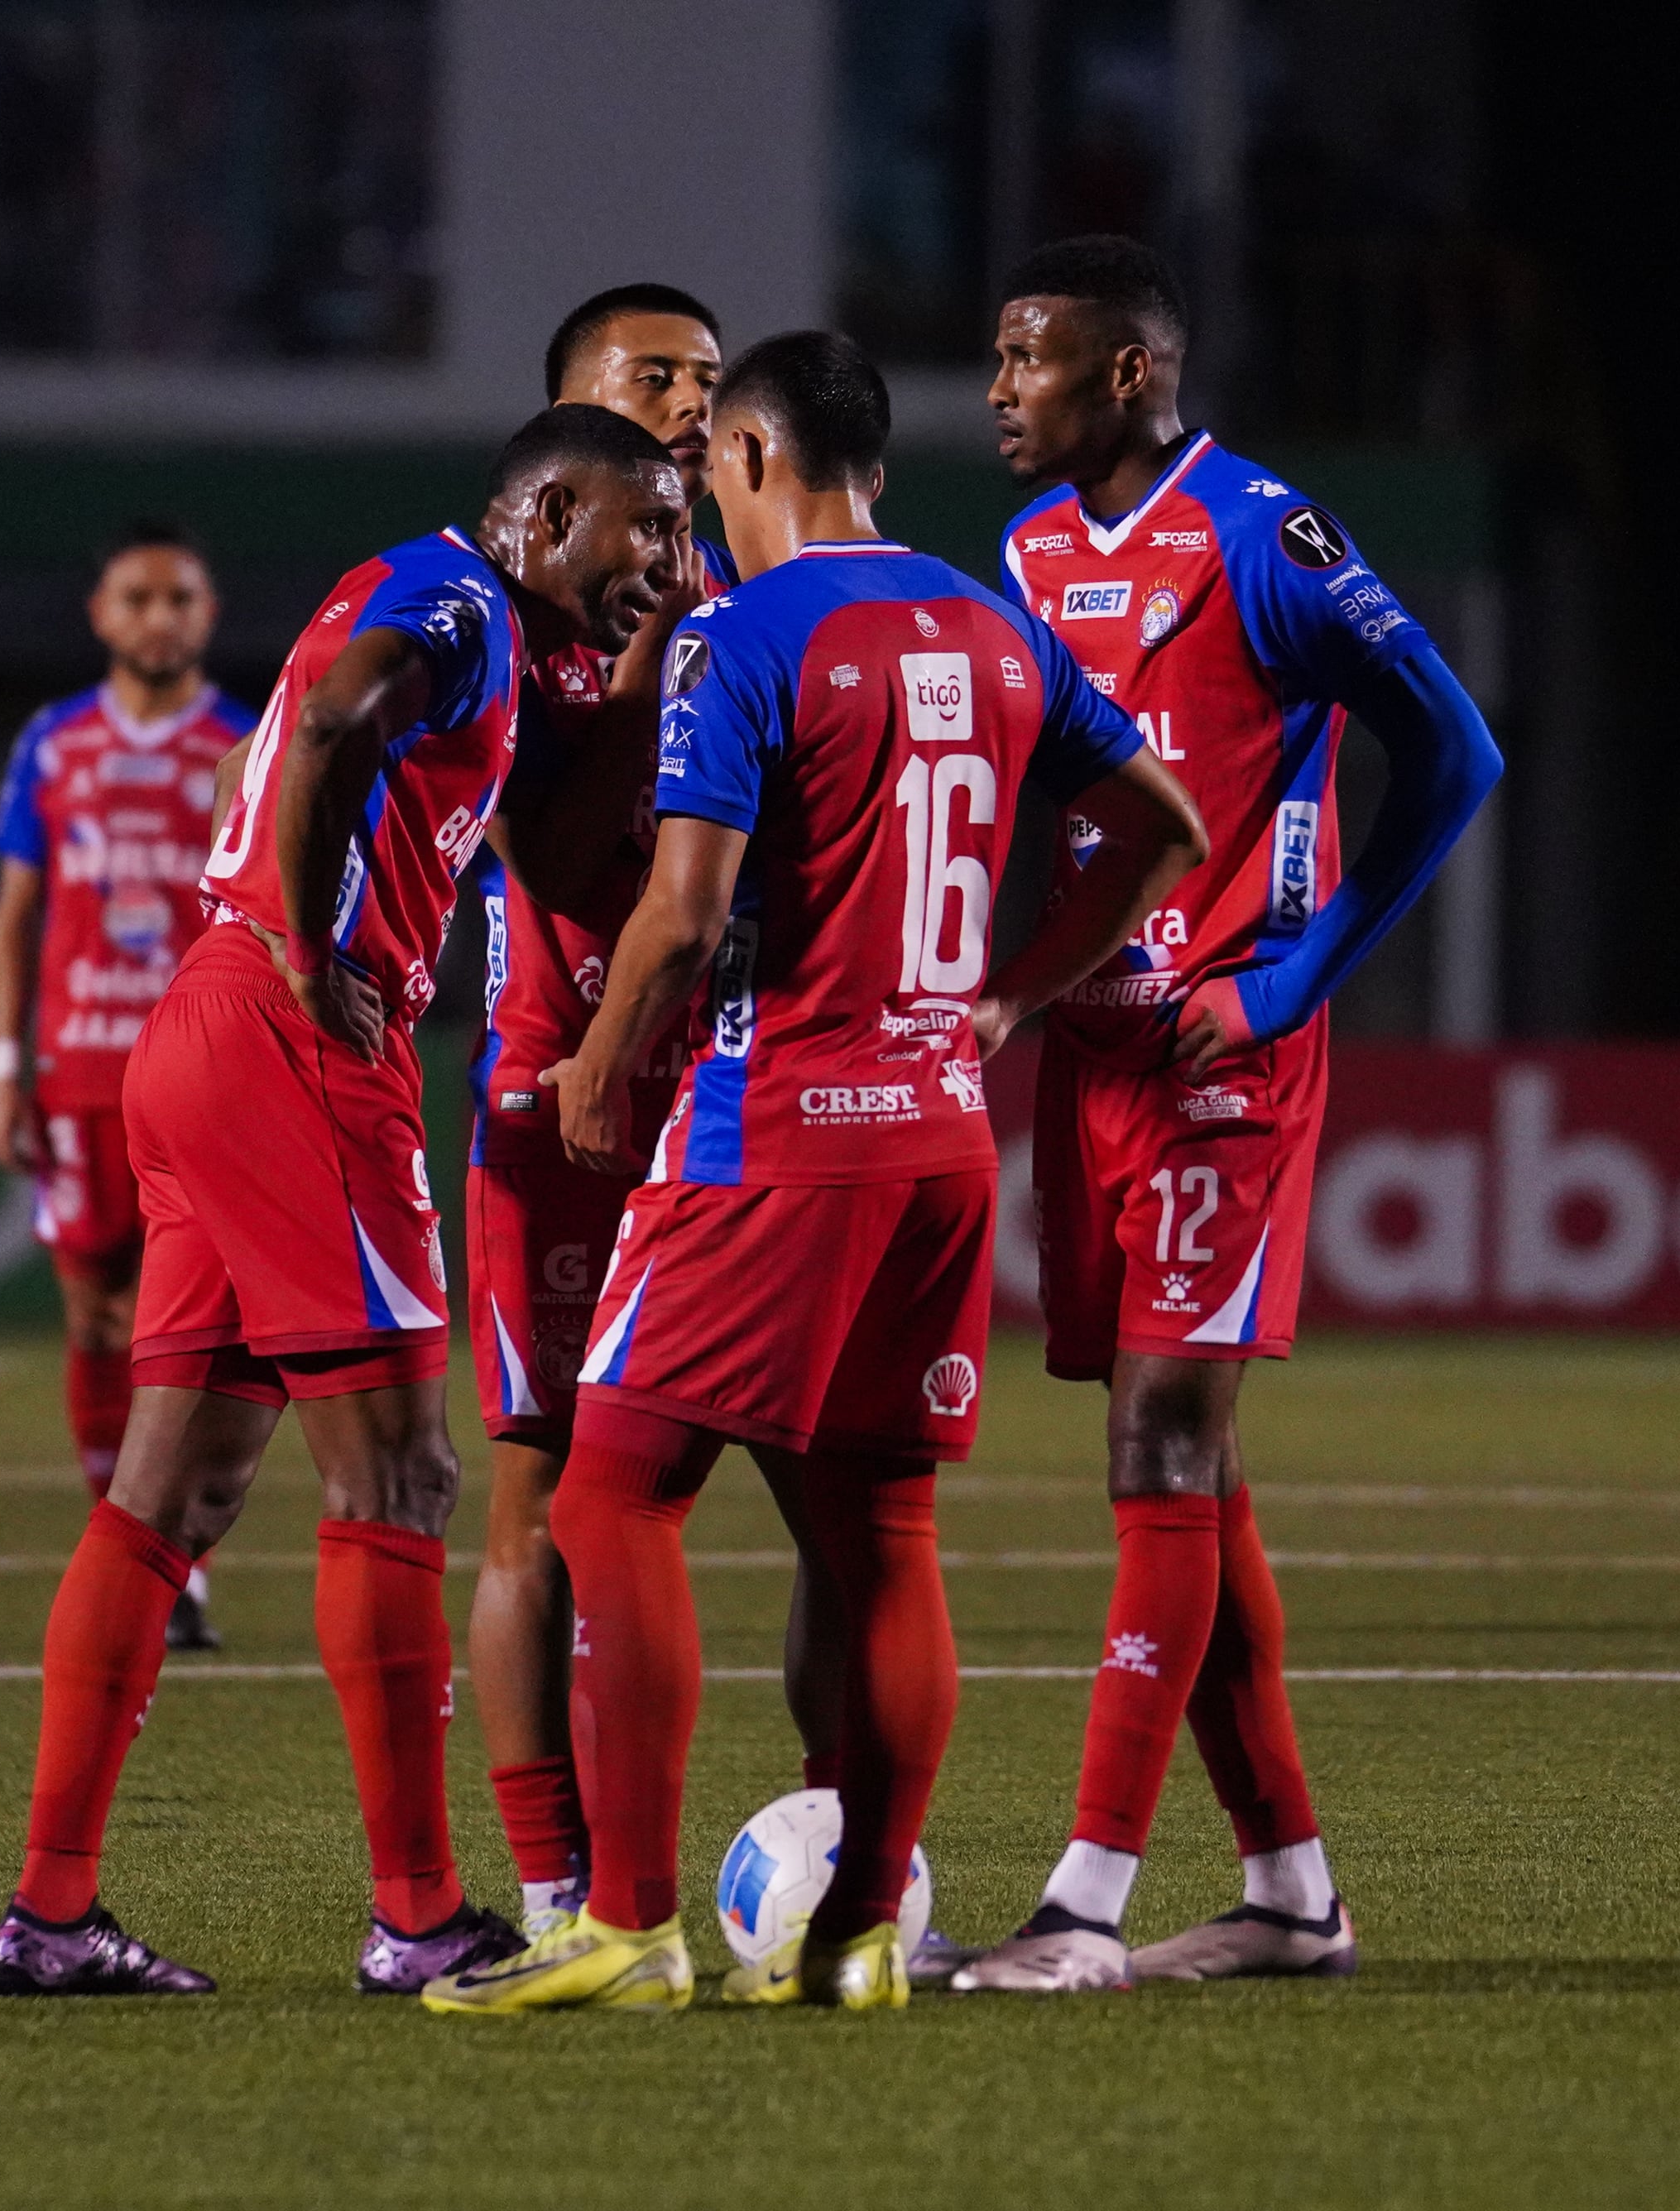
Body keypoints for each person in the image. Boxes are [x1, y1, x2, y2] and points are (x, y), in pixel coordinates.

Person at [420, 329, 1207, 2016]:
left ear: (756, 461)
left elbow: (684, 906)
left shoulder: (741, 634)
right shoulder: (996, 620)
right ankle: (860, 1931)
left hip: (765, 1130)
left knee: (611, 1495)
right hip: (936, 1141)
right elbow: (1166, 823)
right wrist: (1004, 993)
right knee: (886, 1534)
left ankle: (625, 1925)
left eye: (712, 466)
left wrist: (594, 1065)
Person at [0, 405, 692, 2000]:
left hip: (205, 1029)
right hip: (295, 1036)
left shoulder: (478, 619)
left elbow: (555, 841)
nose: (658, 559)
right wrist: (311, 952)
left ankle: (49, 1911)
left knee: (175, 1491)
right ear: (551, 506)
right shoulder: (449, 601)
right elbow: (323, 731)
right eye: (642, 528)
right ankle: (421, 1914)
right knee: (403, 1473)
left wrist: (646, 659)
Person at [945, 237, 1505, 1996]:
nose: (996, 389)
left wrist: (1288, 981)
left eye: (1024, 356)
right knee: (1190, 1469)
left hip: (1222, 1061)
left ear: (1125, 371)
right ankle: (1290, 1894)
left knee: (1161, 1449)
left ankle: (1083, 1908)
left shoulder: (1268, 536)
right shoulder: (1031, 553)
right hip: (1093, 1060)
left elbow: (1458, 753)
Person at [462, 283, 743, 1940]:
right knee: (543, 1497)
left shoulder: (757, 564)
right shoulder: (505, 601)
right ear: (565, 402)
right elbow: (554, 853)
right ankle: (558, 1890)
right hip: (552, 1083)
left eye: (711, 380)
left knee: (813, 1485)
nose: (693, 401)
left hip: (732, 1086)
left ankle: (862, 1865)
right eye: (657, 376)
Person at [0, 522, 253, 1650]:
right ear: (101, 614)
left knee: (185, 1327)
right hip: (81, 1068)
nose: (159, 618)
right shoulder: (52, 744)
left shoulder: (246, 742)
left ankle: (173, 1564)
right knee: (95, 1318)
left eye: (178, 598)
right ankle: (127, 1544)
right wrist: (8, 1064)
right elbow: (15, 914)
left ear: (209, 612)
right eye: (137, 598)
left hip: (202, 1072)